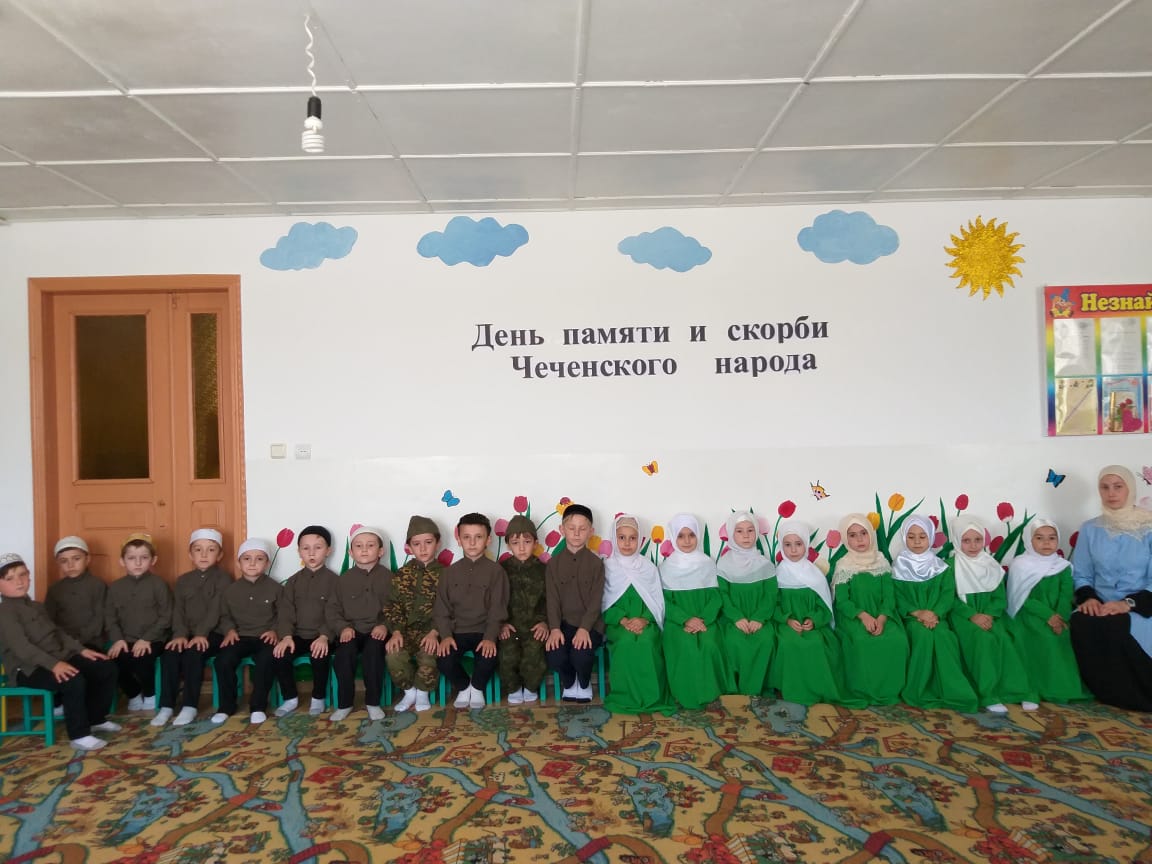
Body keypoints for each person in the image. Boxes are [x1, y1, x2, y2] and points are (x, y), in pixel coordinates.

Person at [0, 553, 120, 751]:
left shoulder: (37, 606)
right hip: (28, 669)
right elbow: (23, 648)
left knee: (104, 668)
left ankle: (95, 718)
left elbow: (58, 633)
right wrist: (55, 665)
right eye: (9, 578)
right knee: (72, 679)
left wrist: (82, 650)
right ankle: (79, 735)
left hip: (57, 657)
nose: (19, 582)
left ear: (29, 575)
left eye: (22, 575)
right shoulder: (5, 612)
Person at [1070, 465, 1152, 711]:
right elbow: (1082, 573)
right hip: (1101, 603)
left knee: (1118, 625)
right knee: (1083, 622)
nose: (1111, 493)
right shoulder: (1090, 528)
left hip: (1140, 605)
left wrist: (1127, 604)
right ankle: (1107, 694)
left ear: (1130, 489)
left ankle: (1140, 697)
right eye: (1104, 487)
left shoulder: (1149, 527)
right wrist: (1089, 598)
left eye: (1118, 487)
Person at [949, 518, 1037, 713]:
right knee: (982, 640)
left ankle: (1019, 691)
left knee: (1004, 639)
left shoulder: (991, 565)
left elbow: (999, 597)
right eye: (966, 540)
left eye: (978, 540)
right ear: (956, 541)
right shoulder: (950, 566)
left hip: (991, 616)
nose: (973, 545)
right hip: (963, 618)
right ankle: (988, 694)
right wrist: (973, 615)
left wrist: (989, 614)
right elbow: (950, 599)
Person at [892, 516, 978, 712]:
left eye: (922, 536)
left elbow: (947, 595)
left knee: (944, 637)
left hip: (937, 618)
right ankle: (919, 691)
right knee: (922, 637)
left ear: (930, 537)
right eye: (911, 537)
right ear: (904, 538)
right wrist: (918, 613)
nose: (917, 541)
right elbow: (898, 597)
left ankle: (954, 691)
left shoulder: (940, 566)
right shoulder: (899, 566)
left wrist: (935, 614)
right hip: (913, 619)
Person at [770, 521, 857, 706]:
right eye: (788, 545)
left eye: (798, 544)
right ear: (782, 547)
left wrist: (814, 620)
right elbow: (773, 605)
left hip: (813, 625)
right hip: (786, 625)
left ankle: (817, 689)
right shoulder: (777, 575)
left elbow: (824, 605)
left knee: (816, 642)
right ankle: (794, 692)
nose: (793, 550)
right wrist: (787, 619)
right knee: (788, 643)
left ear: (806, 545)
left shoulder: (815, 575)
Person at [152, 528, 232, 727]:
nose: (204, 554)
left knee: (193, 654)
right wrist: (179, 634)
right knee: (170, 654)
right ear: (190, 554)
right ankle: (167, 706)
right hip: (186, 633)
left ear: (220, 555)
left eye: (211, 549)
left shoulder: (224, 579)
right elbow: (178, 610)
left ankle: (190, 705)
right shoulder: (183, 580)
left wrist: (201, 634)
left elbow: (215, 610)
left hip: (213, 633)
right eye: (198, 549)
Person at [1007, 518, 1091, 703]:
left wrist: (1060, 618)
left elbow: (1066, 595)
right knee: (1038, 635)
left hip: (1058, 616)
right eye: (1039, 538)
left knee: (1061, 637)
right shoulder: (1020, 565)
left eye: (1052, 538)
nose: (1046, 542)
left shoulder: (1063, 566)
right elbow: (1022, 598)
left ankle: (1060, 689)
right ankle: (1033, 688)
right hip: (1028, 615)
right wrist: (1049, 616)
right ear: (1029, 540)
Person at [830, 513, 908, 706]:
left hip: (883, 614)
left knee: (897, 639)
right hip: (854, 617)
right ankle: (865, 691)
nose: (859, 539)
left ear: (870, 535)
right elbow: (842, 601)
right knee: (861, 641)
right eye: (853, 535)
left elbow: (889, 597)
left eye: (863, 533)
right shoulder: (844, 565)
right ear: (846, 539)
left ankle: (889, 690)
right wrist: (863, 616)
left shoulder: (881, 562)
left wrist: (881, 618)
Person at [434, 513, 508, 710]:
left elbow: (497, 608)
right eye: (466, 537)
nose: (472, 543)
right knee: (444, 659)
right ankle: (464, 687)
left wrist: (490, 637)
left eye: (478, 537)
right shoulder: (449, 573)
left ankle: (477, 688)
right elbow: (441, 608)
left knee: (489, 657)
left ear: (488, 540)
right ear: (459, 539)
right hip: (457, 631)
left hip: (484, 630)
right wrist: (446, 636)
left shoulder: (496, 572)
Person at [601, 514, 673, 714]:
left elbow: (657, 601)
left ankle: (652, 698)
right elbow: (602, 602)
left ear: (639, 539)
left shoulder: (648, 568)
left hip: (646, 623)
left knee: (647, 642)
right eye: (621, 537)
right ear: (614, 538)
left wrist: (644, 619)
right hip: (618, 624)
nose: (627, 543)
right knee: (626, 642)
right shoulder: (607, 567)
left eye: (632, 538)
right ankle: (625, 697)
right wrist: (622, 620)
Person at [213, 538, 285, 725]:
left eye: (259, 559)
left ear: (267, 563)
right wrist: (229, 630)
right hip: (240, 636)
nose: (252, 563)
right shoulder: (230, 590)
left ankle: (258, 707)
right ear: (239, 563)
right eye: (247, 559)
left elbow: (283, 614)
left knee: (266, 659)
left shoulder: (276, 588)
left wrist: (274, 631)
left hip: (266, 636)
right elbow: (224, 615)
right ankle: (226, 707)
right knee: (223, 660)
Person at [659, 513, 726, 710]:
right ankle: (683, 694)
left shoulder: (707, 563)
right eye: (681, 536)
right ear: (673, 537)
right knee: (685, 644)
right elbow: (663, 601)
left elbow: (716, 597)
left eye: (691, 535)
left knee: (709, 644)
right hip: (677, 623)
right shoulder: (666, 568)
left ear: (698, 536)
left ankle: (709, 693)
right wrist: (686, 619)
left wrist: (702, 619)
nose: (687, 541)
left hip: (706, 621)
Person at [326, 526, 392, 722]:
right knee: (344, 655)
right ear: (351, 552)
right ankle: (344, 703)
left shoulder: (390, 578)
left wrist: (385, 625)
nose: (364, 550)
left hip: (377, 631)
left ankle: (373, 702)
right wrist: (343, 628)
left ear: (380, 551)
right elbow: (332, 609)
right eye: (359, 546)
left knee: (373, 654)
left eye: (370, 545)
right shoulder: (343, 580)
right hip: (351, 631)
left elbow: (397, 608)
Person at [273, 525, 337, 716]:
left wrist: (325, 636)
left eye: (318, 547)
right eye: (305, 548)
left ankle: (318, 698)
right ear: (299, 551)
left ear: (328, 550)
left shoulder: (335, 581)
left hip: (323, 636)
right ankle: (290, 698)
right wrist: (286, 636)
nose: (311, 553)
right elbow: (285, 612)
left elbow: (335, 612)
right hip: (298, 635)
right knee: (280, 654)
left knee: (319, 655)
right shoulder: (293, 582)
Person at [545, 504, 605, 703]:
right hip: (563, 624)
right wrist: (554, 629)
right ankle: (570, 682)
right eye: (571, 528)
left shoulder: (596, 564)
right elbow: (552, 599)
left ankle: (584, 683)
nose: (577, 533)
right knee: (554, 653)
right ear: (562, 530)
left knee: (581, 653)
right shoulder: (553, 564)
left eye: (582, 528)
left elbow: (596, 600)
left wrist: (585, 628)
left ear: (591, 531)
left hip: (590, 625)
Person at [105, 533, 172, 712]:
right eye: (131, 558)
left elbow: (166, 616)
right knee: (113, 661)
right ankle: (133, 693)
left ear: (153, 560)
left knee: (143, 658)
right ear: (122, 561)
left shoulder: (159, 584)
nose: (138, 563)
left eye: (144, 558)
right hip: (125, 638)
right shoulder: (115, 587)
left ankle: (150, 693)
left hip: (154, 639)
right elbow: (110, 617)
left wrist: (146, 638)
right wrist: (117, 639)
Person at [384, 516, 444, 713]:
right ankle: (409, 691)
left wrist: (435, 632)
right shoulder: (402, 575)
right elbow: (393, 606)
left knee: (429, 655)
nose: (423, 548)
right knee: (393, 655)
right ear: (409, 547)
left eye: (428, 542)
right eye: (417, 544)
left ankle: (423, 692)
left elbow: (449, 608)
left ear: (438, 543)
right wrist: (396, 632)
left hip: (432, 633)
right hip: (405, 632)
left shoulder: (446, 575)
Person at [717, 511, 776, 696]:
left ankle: (757, 689)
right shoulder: (723, 564)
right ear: (731, 534)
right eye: (739, 531)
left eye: (750, 530)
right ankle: (737, 690)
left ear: (756, 532)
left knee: (765, 640)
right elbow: (723, 595)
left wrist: (759, 618)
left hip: (760, 619)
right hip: (733, 619)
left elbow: (770, 595)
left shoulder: (765, 564)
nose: (746, 536)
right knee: (734, 641)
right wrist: (737, 617)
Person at [497, 514, 548, 705]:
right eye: (515, 542)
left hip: (535, 627)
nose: (521, 547)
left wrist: (545, 622)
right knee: (507, 654)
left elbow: (550, 600)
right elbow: (494, 600)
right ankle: (513, 688)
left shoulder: (544, 570)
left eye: (526, 542)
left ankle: (531, 687)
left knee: (534, 653)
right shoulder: (500, 570)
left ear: (535, 543)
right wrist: (501, 623)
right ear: (508, 545)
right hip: (509, 627)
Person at [45, 535, 106, 651]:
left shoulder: (98, 585)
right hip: (63, 643)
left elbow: (99, 619)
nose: (70, 565)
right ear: (58, 563)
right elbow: (49, 620)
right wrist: (65, 641)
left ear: (87, 559)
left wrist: (79, 640)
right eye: (64, 561)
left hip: (91, 642)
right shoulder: (54, 589)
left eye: (76, 559)